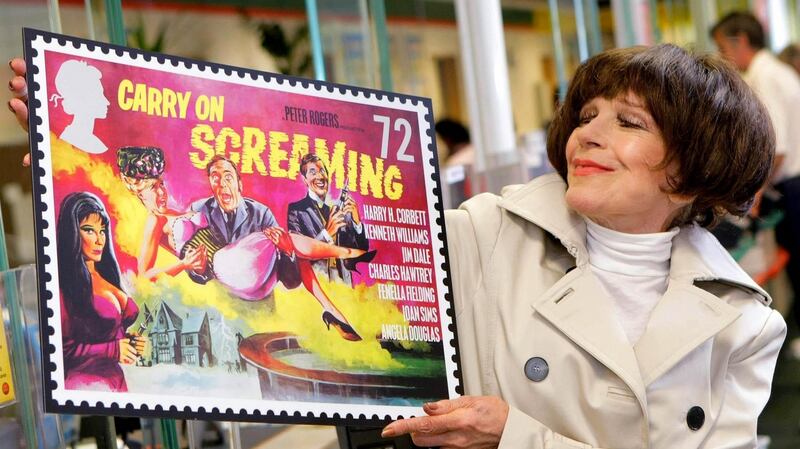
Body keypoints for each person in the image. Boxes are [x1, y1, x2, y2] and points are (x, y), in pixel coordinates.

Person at [382, 44, 786, 447]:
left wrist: (514, 437)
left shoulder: (743, 324)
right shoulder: (481, 236)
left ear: (695, 168)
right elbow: (368, 241)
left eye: (629, 122)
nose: (587, 135)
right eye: (586, 117)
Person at [180, 155, 368, 340]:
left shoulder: (262, 214)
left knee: (288, 243)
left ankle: (332, 302)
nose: (222, 183)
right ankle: (333, 298)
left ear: (239, 184)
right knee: (288, 240)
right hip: (223, 307)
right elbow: (188, 257)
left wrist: (288, 252)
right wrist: (198, 269)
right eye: (215, 178)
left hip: (259, 304)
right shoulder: (198, 210)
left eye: (228, 177)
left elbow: (290, 281)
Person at [712, 12, 800, 359]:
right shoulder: (777, 71)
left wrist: (753, 193)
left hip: (793, 184)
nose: (723, 56)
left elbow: (776, 150)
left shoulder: (764, 75)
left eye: (723, 47)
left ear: (741, 41)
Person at [57, 191, 146, 392]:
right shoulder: (66, 286)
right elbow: (62, 349)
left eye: (102, 231)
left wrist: (128, 342)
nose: (99, 239)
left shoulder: (106, 276)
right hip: (86, 386)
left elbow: (101, 331)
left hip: (116, 384)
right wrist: (114, 349)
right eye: (89, 230)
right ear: (72, 233)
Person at [117, 146, 206, 280]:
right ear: (140, 194)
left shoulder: (172, 212)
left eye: (162, 184)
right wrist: (184, 264)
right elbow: (144, 275)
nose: (162, 192)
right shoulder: (154, 220)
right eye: (153, 187)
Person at [287, 153, 370, 286]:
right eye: (313, 172)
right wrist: (326, 234)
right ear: (305, 180)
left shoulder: (338, 211)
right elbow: (297, 257)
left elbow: (362, 252)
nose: (320, 176)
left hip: (344, 288)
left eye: (322, 171)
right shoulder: (296, 210)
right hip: (318, 285)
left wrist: (357, 222)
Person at [52, 60, 110, 154]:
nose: (107, 102)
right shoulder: (70, 141)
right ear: (81, 99)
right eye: (98, 95)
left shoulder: (94, 142)